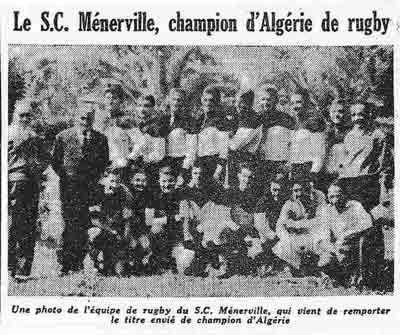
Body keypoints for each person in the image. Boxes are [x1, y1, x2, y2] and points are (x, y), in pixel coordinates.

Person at [52, 99, 109, 275]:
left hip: (90, 189)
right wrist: (67, 177)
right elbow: (55, 162)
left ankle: (81, 262)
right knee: (69, 225)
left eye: (89, 118)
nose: (86, 121)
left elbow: (103, 162)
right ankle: (65, 264)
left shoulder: (100, 139)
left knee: (87, 225)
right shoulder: (63, 136)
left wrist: (92, 180)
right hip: (69, 189)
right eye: (83, 118)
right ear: (77, 117)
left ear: (93, 119)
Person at [8, 99, 49, 278]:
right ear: (14, 115)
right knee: (13, 224)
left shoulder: (34, 136)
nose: (25, 119)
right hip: (14, 181)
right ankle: (9, 266)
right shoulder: (9, 133)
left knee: (29, 224)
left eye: (28, 116)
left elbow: (47, 158)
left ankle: (24, 269)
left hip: (31, 183)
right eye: (21, 115)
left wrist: (38, 168)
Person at [338, 99, 391, 211]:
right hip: (349, 184)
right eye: (353, 115)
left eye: (361, 114)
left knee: (368, 219)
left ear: (369, 114)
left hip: (368, 183)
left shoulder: (378, 135)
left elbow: (385, 165)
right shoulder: (349, 136)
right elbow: (346, 162)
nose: (357, 118)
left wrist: (384, 190)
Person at [317, 183, 373, 286]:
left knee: (364, 242)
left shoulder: (355, 206)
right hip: (337, 247)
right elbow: (324, 234)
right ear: (328, 198)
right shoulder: (326, 211)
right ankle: (339, 277)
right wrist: (333, 249)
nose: (335, 199)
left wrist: (349, 234)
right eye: (332, 197)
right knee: (324, 262)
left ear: (344, 196)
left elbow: (368, 223)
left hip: (354, 244)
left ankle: (358, 276)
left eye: (338, 196)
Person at [272, 180, 326, 275]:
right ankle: (291, 268)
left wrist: (300, 224)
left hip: (307, 233)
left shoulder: (310, 201)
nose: (299, 193)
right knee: (286, 246)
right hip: (291, 234)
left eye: (301, 190)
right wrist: (288, 236)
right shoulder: (289, 204)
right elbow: (283, 224)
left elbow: (318, 220)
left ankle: (317, 268)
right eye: (296, 191)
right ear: (291, 191)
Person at [88, 169, 133, 276]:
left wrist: (125, 238)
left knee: (119, 272)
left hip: (118, 232)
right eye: (112, 181)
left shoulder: (125, 193)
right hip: (104, 230)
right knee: (94, 233)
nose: (114, 185)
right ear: (104, 180)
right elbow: (94, 220)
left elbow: (127, 220)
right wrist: (110, 230)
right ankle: (94, 263)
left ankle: (120, 261)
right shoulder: (97, 192)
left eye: (117, 182)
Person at [187, 86, 229, 187]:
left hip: (214, 164)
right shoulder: (198, 120)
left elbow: (224, 150)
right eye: (205, 100)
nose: (208, 103)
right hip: (199, 165)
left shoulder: (221, 121)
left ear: (217, 102)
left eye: (211, 100)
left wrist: (218, 172)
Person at [257, 85, 296, 193]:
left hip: (281, 165)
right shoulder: (257, 119)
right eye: (263, 99)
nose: (265, 102)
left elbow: (293, 143)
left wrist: (287, 166)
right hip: (263, 165)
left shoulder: (286, 119)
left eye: (269, 99)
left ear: (276, 100)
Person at [145, 165, 184, 273]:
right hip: (161, 233)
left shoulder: (181, 195)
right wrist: (170, 219)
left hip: (177, 235)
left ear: (176, 181)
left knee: (184, 264)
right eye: (164, 181)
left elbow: (182, 219)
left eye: (170, 181)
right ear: (159, 181)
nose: (166, 185)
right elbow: (148, 221)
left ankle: (171, 258)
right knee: (156, 229)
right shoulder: (153, 196)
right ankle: (159, 258)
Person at [128, 94, 167, 190]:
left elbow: (159, 154)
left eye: (146, 106)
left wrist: (142, 158)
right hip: (134, 169)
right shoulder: (134, 125)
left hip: (150, 169)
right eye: (139, 105)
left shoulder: (157, 126)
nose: (142, 109)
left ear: (153, 108)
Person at [289, 89, 326, 184]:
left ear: (306, 104)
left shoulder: (313, 123)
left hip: (308, 170)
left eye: (298, 102)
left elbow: (319, 153)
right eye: (292, 103)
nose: (295, 106)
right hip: (295, 169)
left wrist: (313, 174)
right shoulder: (294, 125)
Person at [253, 174, 287, 274]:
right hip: (268, 237)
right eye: (274, 190)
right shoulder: (263, 202)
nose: (276, 193)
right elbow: (260, 225)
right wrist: (274, 236)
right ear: (270, 188)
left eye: (279, 190)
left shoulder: (285, 200)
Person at [229, 89, 262, 188]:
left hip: (247, 164)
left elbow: (235, 145)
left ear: (249, 104)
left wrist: (227, 139)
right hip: (238, 163)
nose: (237, 105)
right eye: (236, 102)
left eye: (241, 102)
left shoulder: (253, 120)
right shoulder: (241, 118)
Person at [164, 88, 193, 185]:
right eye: (173, 99)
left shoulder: (189, 121)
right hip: (164, 165)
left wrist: (183, 173)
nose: (176, 102)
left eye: (179, 100)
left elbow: (191, 150)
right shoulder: (163, 119)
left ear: (183, 103)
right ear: (168, 100)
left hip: (181, 165)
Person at [321, 98, 351, 193]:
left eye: (340, 111)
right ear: (329, 113)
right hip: (327, 176)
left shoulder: (350, 133)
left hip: (344, 176)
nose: (337, 115)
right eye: (333, 111)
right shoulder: (326, 132)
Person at [102, 84, 132, 169]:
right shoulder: (99, 122)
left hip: (120, 166)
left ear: (121, 101)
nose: (110, 102)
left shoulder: (127, 122)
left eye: (114, 98)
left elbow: (132, 148)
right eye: (108, 98)